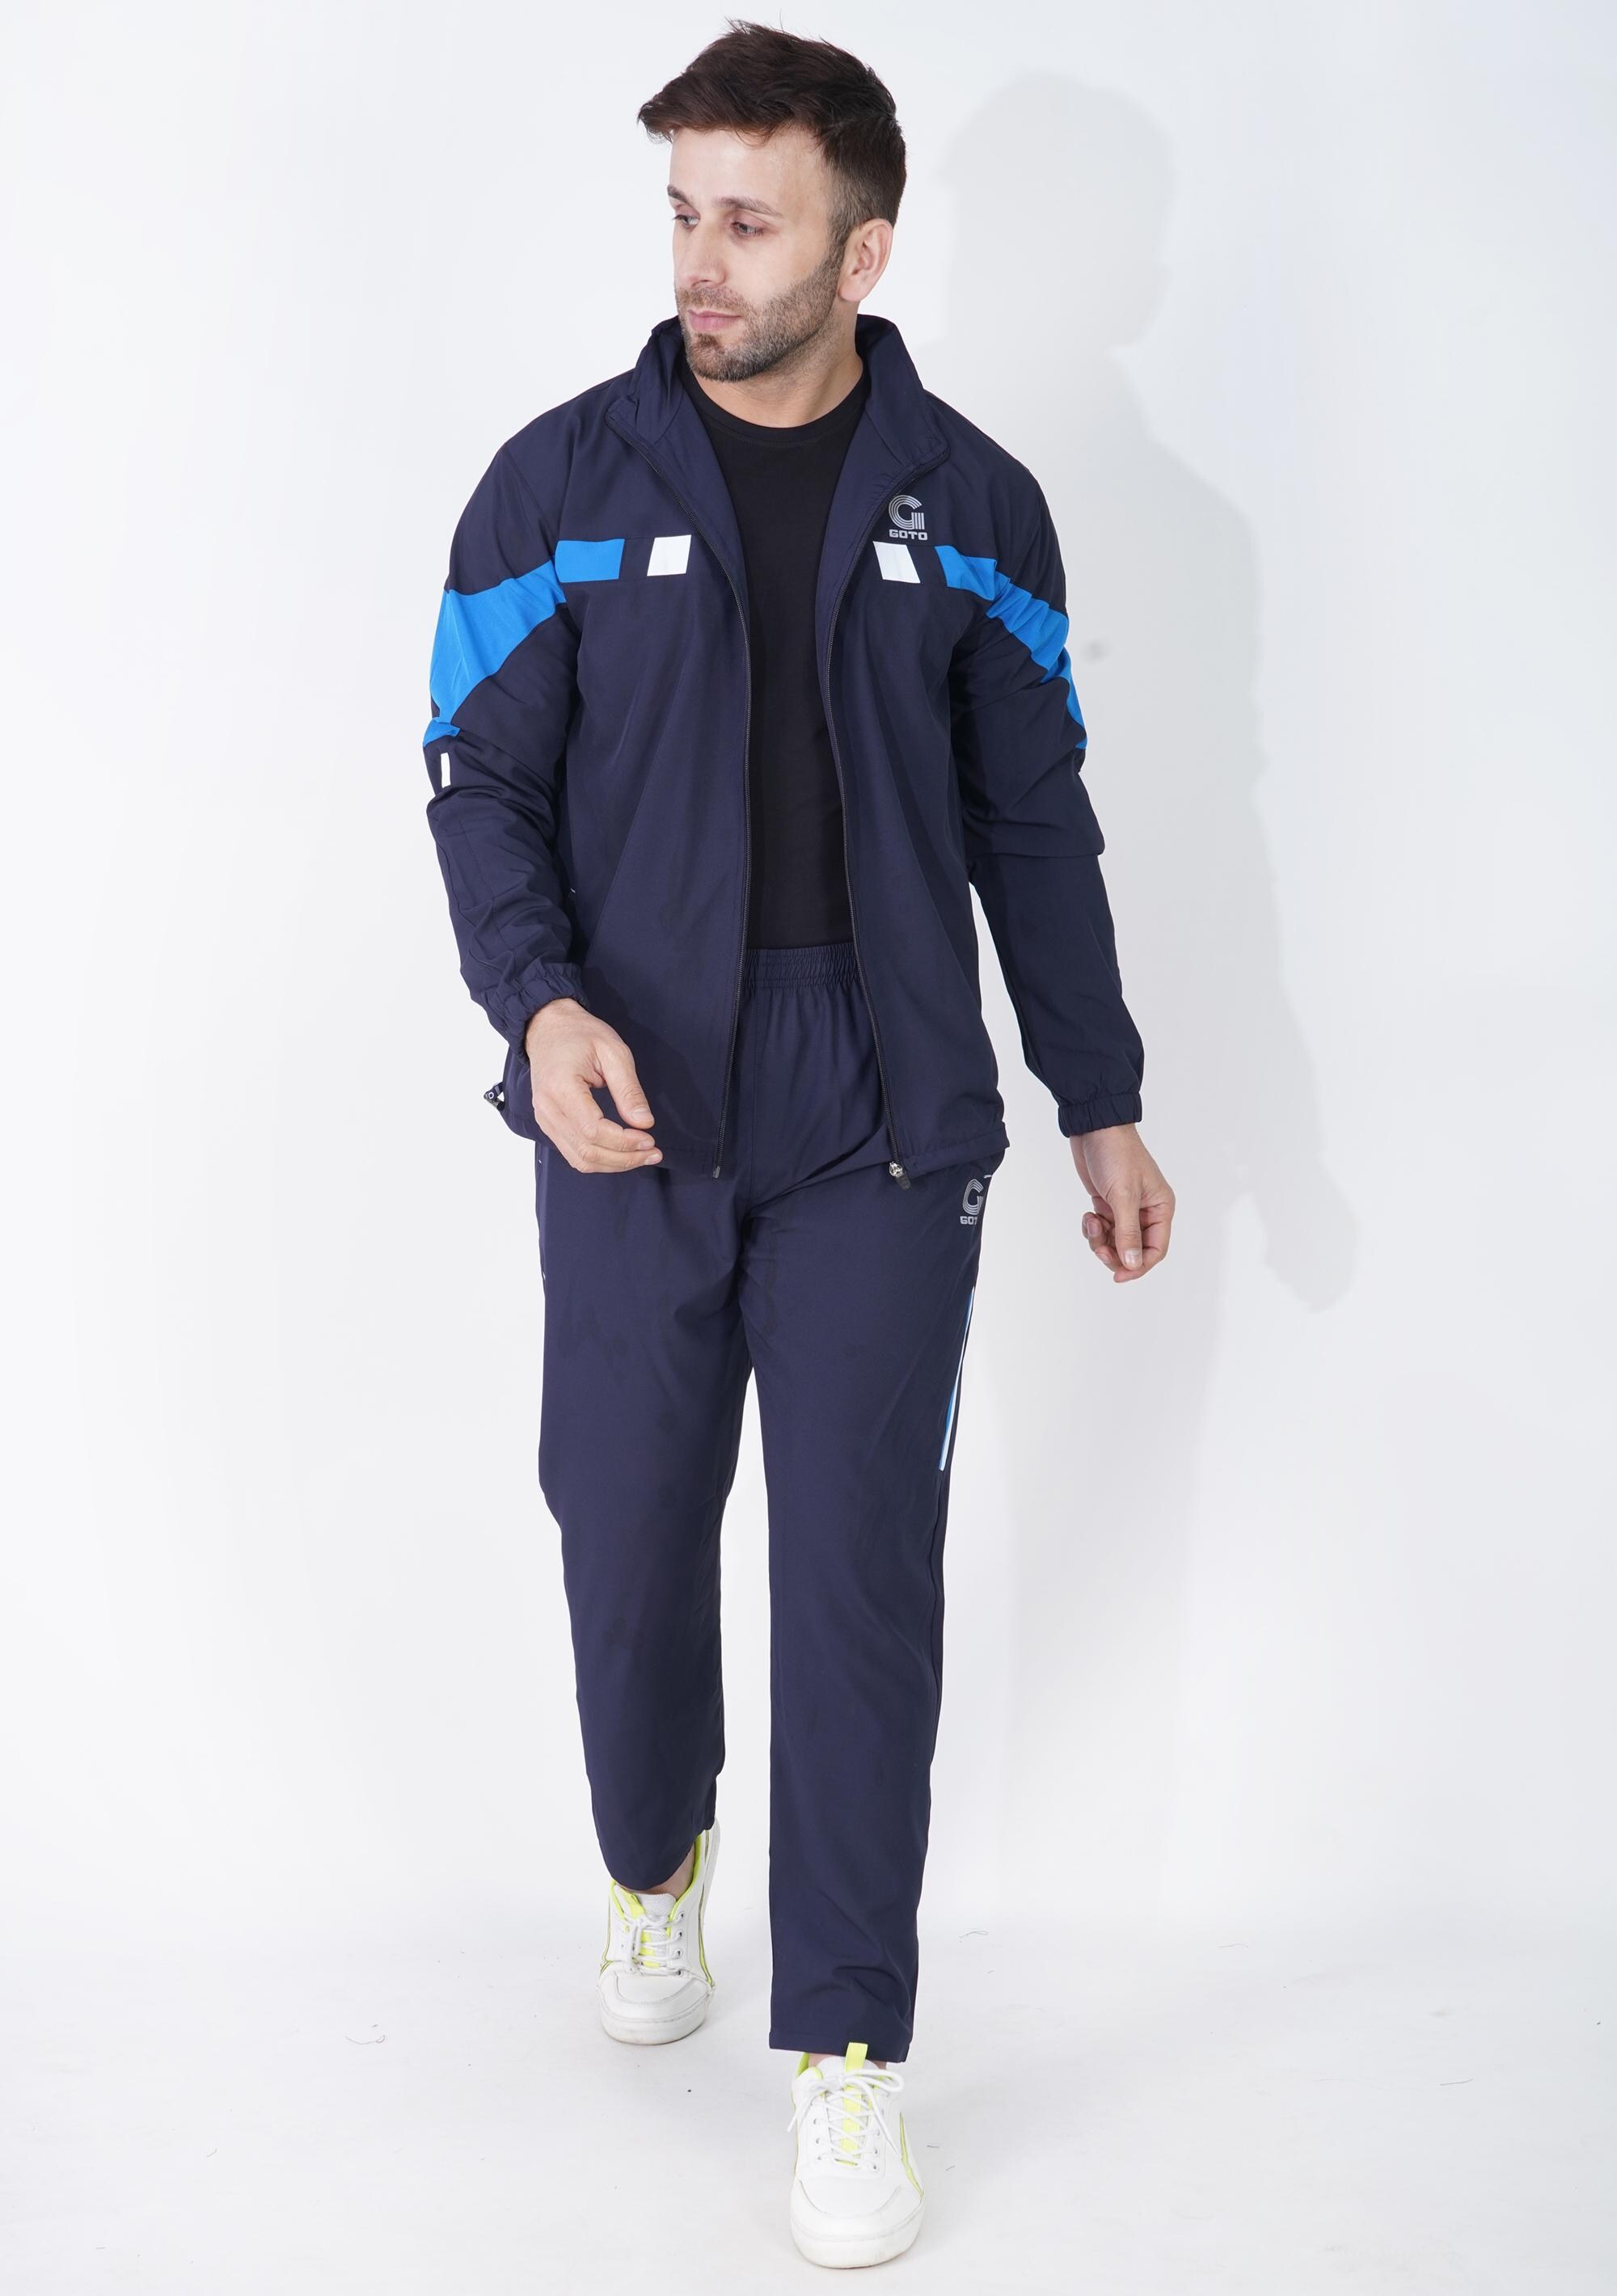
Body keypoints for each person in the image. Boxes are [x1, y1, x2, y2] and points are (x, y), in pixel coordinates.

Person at [420, 18, 1175, 2270]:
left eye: (748, 222)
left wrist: (1100, 1096)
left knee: (857, 1584)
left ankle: (849, 2050)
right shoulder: (553, 487)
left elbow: (1039, 823)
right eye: (682, 213)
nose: (700, 263)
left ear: (863, 249)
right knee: (626, 1534)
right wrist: (540, 1005)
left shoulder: (978, 507)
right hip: (631, 1098)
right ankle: (655, 1857)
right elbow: (479, 781)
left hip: (883, 1117)